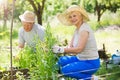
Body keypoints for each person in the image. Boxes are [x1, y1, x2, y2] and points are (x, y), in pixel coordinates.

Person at [52, 5, 100, 80]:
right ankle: (53, 76)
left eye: (74, 16)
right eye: (70, 17)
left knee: (65, 70)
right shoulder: (77, 30)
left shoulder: (84, 29)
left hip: (91, 63)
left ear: (81, 16)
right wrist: (57, 48)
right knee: (61, 60)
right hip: (80, 58)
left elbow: (79, 49)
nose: (72, 18)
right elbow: (71, 48)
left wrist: (61, 49)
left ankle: (91, 78)